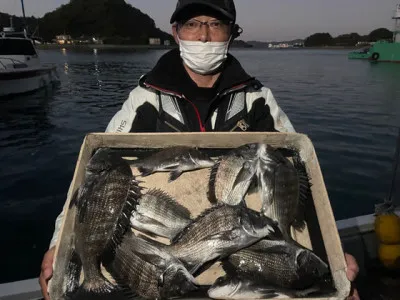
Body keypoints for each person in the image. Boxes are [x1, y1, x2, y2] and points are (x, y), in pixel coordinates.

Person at [39, 0, 360, 299]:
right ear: (175, 32)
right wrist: (59, 243)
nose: (204, 36)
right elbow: (96, 173)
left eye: (216, 24)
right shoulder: (146, 99)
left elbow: (297, 171)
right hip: (171, 246)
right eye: (193, 24)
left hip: (238, 242)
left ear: (232, 34)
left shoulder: (257, 98)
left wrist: (333, 252)